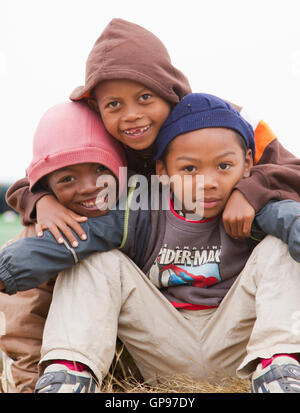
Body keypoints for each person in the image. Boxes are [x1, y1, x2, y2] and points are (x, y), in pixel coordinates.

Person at [2, 18, 300, 392]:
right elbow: (38, 175)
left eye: (145, 97)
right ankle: (56, 377)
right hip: (157, 319)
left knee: (281, 243)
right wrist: (40, 199)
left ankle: (281, 371)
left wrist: (250, 190)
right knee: (74, 244)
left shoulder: (226, 123)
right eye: (115, 104)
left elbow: (291, 170)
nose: (131, 115)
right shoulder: (107, 135)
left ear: (170, 91)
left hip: (232, 319)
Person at [0, 100, 127, 392]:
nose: (88, 186)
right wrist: (31, 385)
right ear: (48, 186)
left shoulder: (138, 207)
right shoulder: (44, 231)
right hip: (58, 363)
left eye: (99, 169)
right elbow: (26, 328)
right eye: (68, 178)